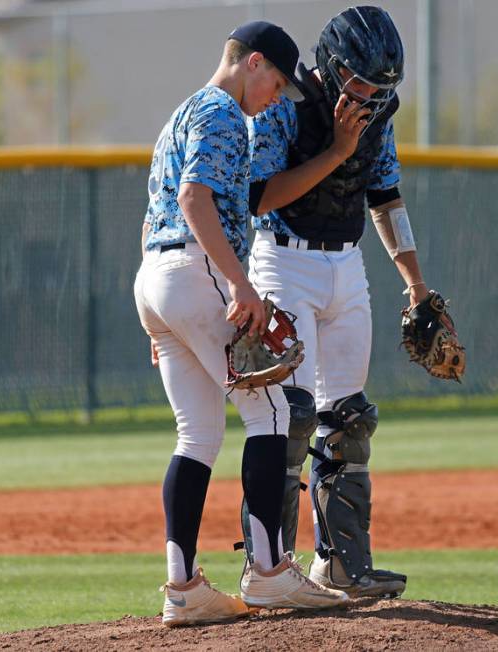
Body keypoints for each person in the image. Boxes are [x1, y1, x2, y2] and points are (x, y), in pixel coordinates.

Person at [134, 20, 348, 628]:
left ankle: (184, 588)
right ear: (253, 62)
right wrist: (238, 283)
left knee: (197, 434)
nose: (276, 97)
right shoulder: (224, 112)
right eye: (277, 83)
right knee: (273, 410)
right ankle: (272, 574)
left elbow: (159, 212)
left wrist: (163, 316)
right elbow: (194, 201)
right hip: (193, 270)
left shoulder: (179, 115)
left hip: (157, 276)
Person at [242, 6, 424, 599]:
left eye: (381, 88)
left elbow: (386, 196)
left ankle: (344, 565)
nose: (369, 96)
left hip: (347, 262)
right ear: (332, 64)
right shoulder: (284, 104)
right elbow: (263, 197)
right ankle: (271, 569)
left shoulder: (376, 116)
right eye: (361, 81)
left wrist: (416, 285)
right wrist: (339, 152)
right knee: (289, 416)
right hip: (284, 258)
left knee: (349, 418)